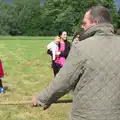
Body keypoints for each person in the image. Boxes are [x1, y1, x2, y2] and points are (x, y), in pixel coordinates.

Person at [33, 6, 120, 120]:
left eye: (84, 23)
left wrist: (41, 99)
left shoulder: (81, 48)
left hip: (86, 116)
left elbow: (63, 82)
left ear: (95, 22)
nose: (82, 26)